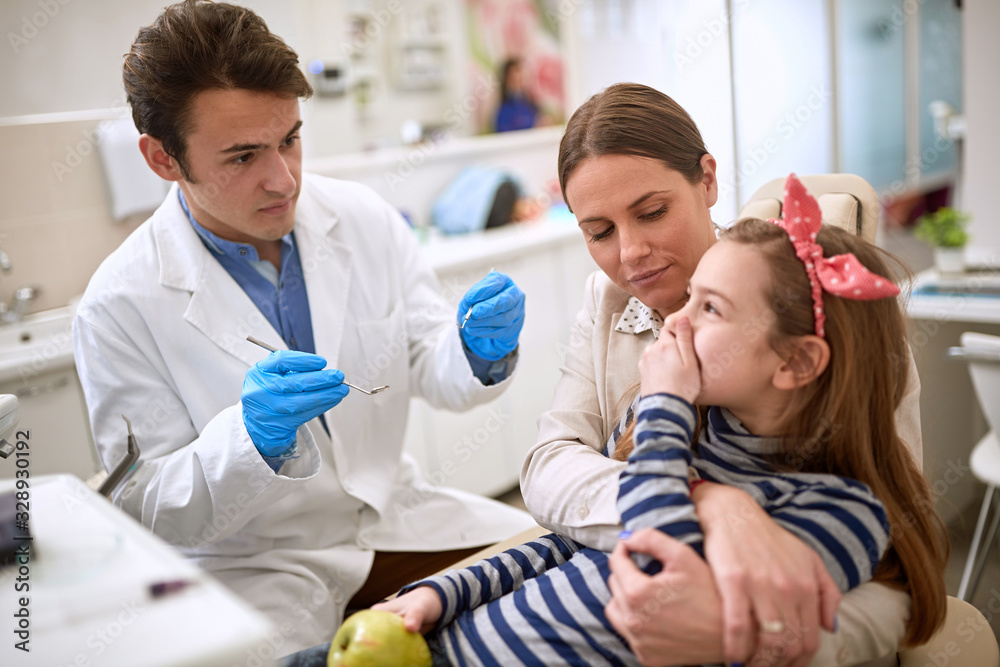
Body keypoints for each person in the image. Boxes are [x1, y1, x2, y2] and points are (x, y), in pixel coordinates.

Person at [71, 0, 536, 656]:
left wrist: (474, 352)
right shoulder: (116, 306)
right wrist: (248, 439)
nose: (283, 177)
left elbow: (435, 367)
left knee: (551, 564)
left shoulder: (364, 217)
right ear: (162, 159)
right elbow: (144, 507)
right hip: (256, 566)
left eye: (290, 138)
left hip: (394, 519)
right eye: (242, 156)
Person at [362, 176, 946, 666]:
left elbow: (653, 561)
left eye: (708, 305)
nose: (676, 322)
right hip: (443, 636)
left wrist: (666, 406)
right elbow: (566, 528)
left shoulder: (839, 508)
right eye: (599, 231)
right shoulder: (682, 425)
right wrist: (443, 592)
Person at [518, 83, 935, 666]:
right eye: (600, 232)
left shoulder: (818, 315)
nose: (631, 253)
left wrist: (754, 639)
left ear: (708, 180)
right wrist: (710, 506)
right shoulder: (607, 298)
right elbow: (547, 465)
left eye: (652, 212)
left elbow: (901, 546)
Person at [495, 58, 539, 133]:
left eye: (521, 78)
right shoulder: (504, 111)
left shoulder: (531, 105)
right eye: (514, 78)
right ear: (506, 80)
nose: (518, 80)